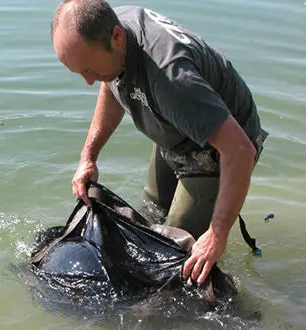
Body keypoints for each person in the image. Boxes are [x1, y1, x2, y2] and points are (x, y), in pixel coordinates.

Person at [50, 0, 268, 287]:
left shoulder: (169, 76)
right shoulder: (113, 37)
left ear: (116, 37)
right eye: (79, 72)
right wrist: (88, 156)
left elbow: (240, 150)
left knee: (180, 261)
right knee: (150, 219)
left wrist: (218, 233)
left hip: (219, 149)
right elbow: (110, 83)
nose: (88, 82)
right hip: (175, 128)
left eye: (89, 69)